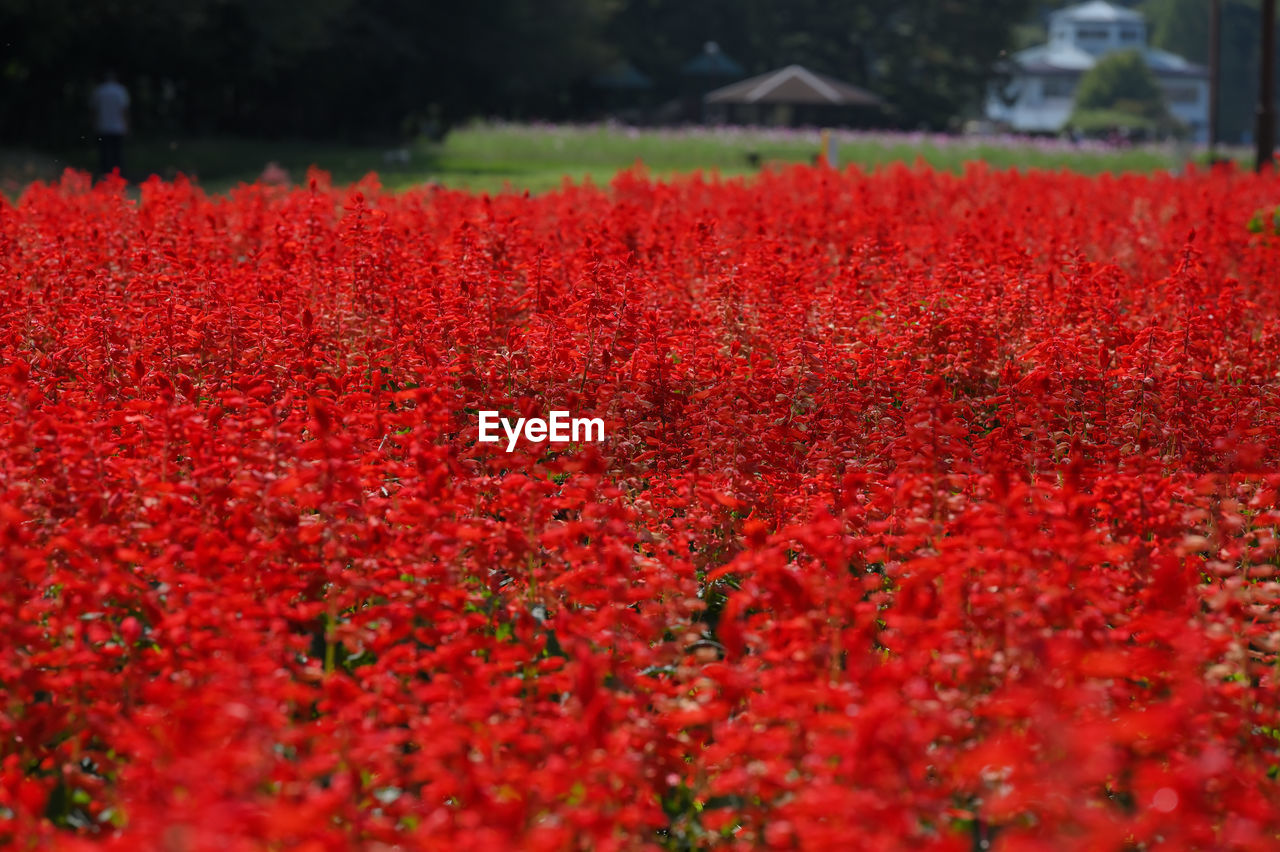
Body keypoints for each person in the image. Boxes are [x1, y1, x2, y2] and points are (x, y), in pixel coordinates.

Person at [90, 71, 130, 179]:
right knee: (118, 154)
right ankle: (118, 176)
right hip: (118, 127)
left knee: (104, 153)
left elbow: (94, 110)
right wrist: (126, 125)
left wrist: (94, 124)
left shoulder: (100, 90)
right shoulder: (120, 90)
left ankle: (105, 175)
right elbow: (124, 110)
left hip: (103, 126)